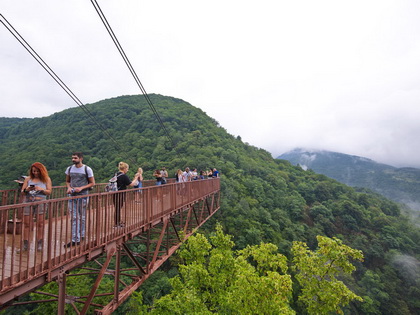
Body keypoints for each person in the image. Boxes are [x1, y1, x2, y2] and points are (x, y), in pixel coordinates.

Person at [20, 162, 52, 252]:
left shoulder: (46, 179)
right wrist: (27, 189)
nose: (35, 173)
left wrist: (41, 189)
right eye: (34, 171)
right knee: (26, 224)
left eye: (37, 171)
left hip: (40, 201)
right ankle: (25, 244)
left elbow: (49, 192)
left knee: (40, 224)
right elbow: (22, 191)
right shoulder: (28, 179)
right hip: (28, 201)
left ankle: (39, 243)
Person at [65, 152, 95, 247]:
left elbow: (92, 183)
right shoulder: (69, 169)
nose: (73, 159)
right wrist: (69, 188)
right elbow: (67, 181)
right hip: (72, 195)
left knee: (82, 216)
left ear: (81, 158)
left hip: (83, 195)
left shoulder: (87, 169)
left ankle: (81, 234)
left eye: (75, 158)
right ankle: (75, 239)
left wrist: (81, 188)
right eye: (72, 158)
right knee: (74, 217)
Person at [113, 162, 137, 227]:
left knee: (117, 208)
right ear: (125, 168)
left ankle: (117, 222)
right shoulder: (124, 176)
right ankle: (117, 224)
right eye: (127, 169)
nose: (127, 170)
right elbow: (131, 184)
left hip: (114, 193)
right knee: (118, 208)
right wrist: (135, 178)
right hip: (120, 193)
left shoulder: (116, 174)